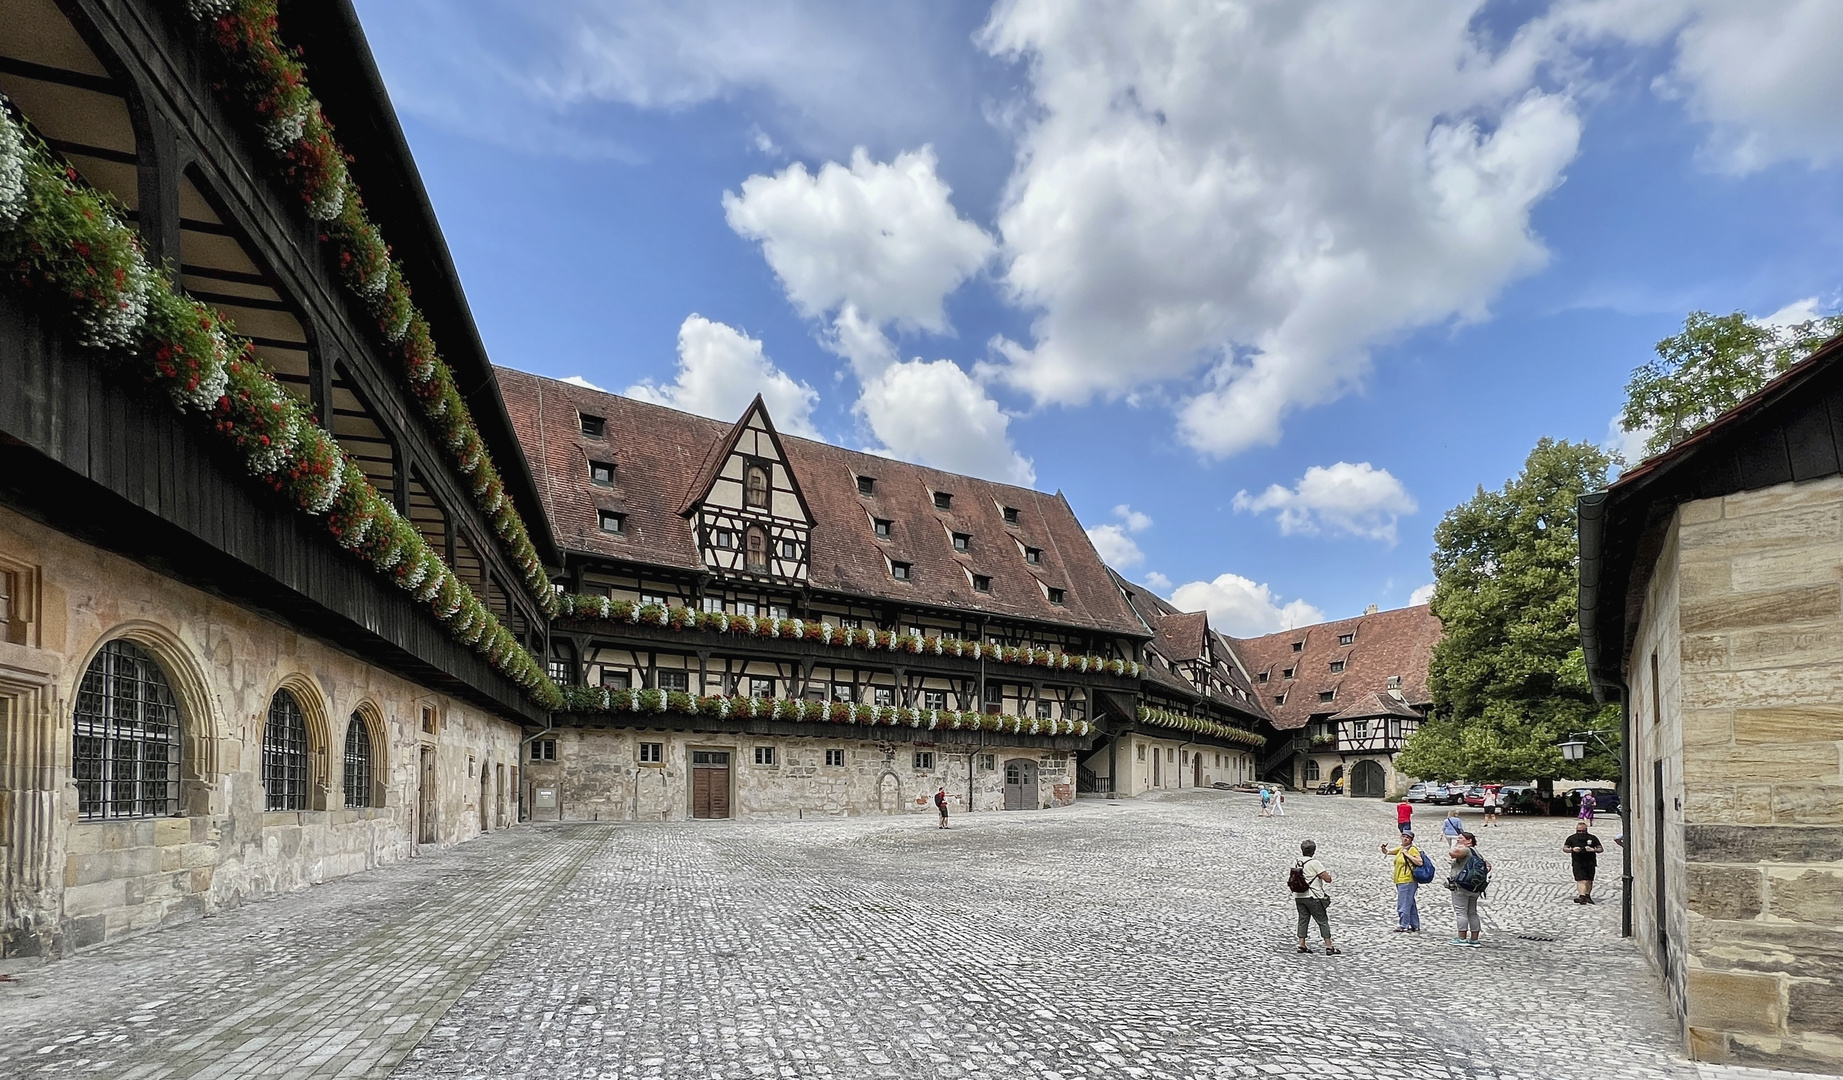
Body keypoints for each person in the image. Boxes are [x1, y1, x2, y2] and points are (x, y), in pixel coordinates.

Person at [1291, 839, 1339, 954]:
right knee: (1322, 920)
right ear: (1313, 851)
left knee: (1303, 920)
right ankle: (1329, 946)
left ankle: (1301, 944)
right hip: (1313, 896)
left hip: (1299, 896)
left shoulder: (1296, 862)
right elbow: (1328, 879)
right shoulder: (1314, 863)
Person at [1446, 831, 1490, 946]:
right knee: (1472, 912)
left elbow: (1452, 853)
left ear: (1469, 840)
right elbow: (1488, 866)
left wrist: (1456, 847)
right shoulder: (1477, 853)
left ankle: (1462, 938)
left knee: (1461, 912)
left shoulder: (1465, 850)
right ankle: (1474, 939)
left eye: (1461, 838)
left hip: (1461, 886)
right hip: (1475, 887)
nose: (1458, 840)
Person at [1382, 831, 1426, 932]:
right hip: (1400, 880)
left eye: (1408, 837)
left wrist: (1407, 854)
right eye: (1403, 837)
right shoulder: (1401, 848)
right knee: (1410, 903)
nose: (1405, 839)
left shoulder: (1412, 850)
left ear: (1411, 840)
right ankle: (1415, 924)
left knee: (1403, 904)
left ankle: (1403, 925)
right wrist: (1384, 849)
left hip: (1407, 880)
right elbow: (1388, 852)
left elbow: (1419, 862)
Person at [1563, 819, 1604, 903]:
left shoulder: (1592, 838)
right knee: (1581, 879)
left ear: (1586, 830)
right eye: (1579, 831)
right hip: (1577, 861)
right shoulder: (1572, 838)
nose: (1581, 833)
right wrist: (1572, 849)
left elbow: (1600, 849)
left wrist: (1593, 849)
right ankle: (1582, 896)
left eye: (1583, 831)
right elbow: (1565, 848)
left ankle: (1587, 895)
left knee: (1589, 880)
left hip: (1590, 861)